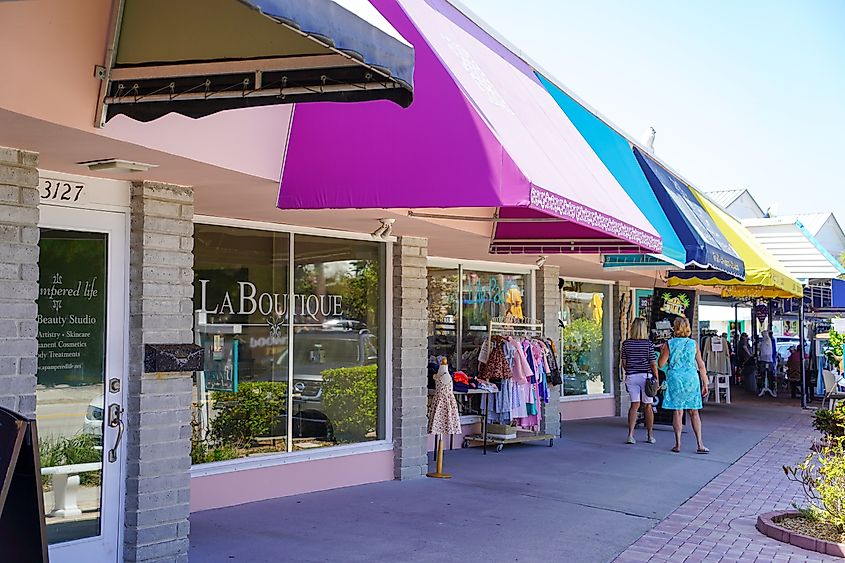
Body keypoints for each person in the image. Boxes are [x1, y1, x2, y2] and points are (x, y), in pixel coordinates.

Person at [658, 317, 709, 454]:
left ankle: (678, 444)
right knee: (694, 411)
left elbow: (661, 364)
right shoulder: (693, 344)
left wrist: (664, 354)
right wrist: (705, 382)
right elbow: (701, 365)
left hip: (675, 378)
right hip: (691, 378)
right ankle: (700, 444)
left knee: (678, 411)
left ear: (675, 328)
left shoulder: (670, 344)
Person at [621, 318, 658, 444]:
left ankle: (630, 435)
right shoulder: (648, 344)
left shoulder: (626, 344)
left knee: (634, 405)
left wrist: (631, 369)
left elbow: (624, 363)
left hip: (631, 376)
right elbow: (653, 364)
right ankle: (650, 435)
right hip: (646, 377)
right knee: (648, 406)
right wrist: (656, 378)